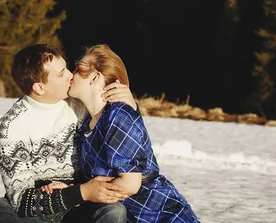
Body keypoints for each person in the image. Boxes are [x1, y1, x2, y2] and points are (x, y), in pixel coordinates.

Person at [0, 43, 137, 223]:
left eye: (66, 68)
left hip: (79, 210)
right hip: (36, 214)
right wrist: (80, 192)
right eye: (61, 73)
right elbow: (21, 202)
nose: (71, 75)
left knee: (113, 211)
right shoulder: (12, 126)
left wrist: (130, 105)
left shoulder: (81, 106)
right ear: (39, 88)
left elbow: (120, 134)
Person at [42, 45, 199, 223]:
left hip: (157, 214)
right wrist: (74, 189)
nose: (72, 74)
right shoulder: (89, 123)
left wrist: (78, 194)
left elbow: (130, 185)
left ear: (95, 77)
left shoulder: (118, 117)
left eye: (79, 68)